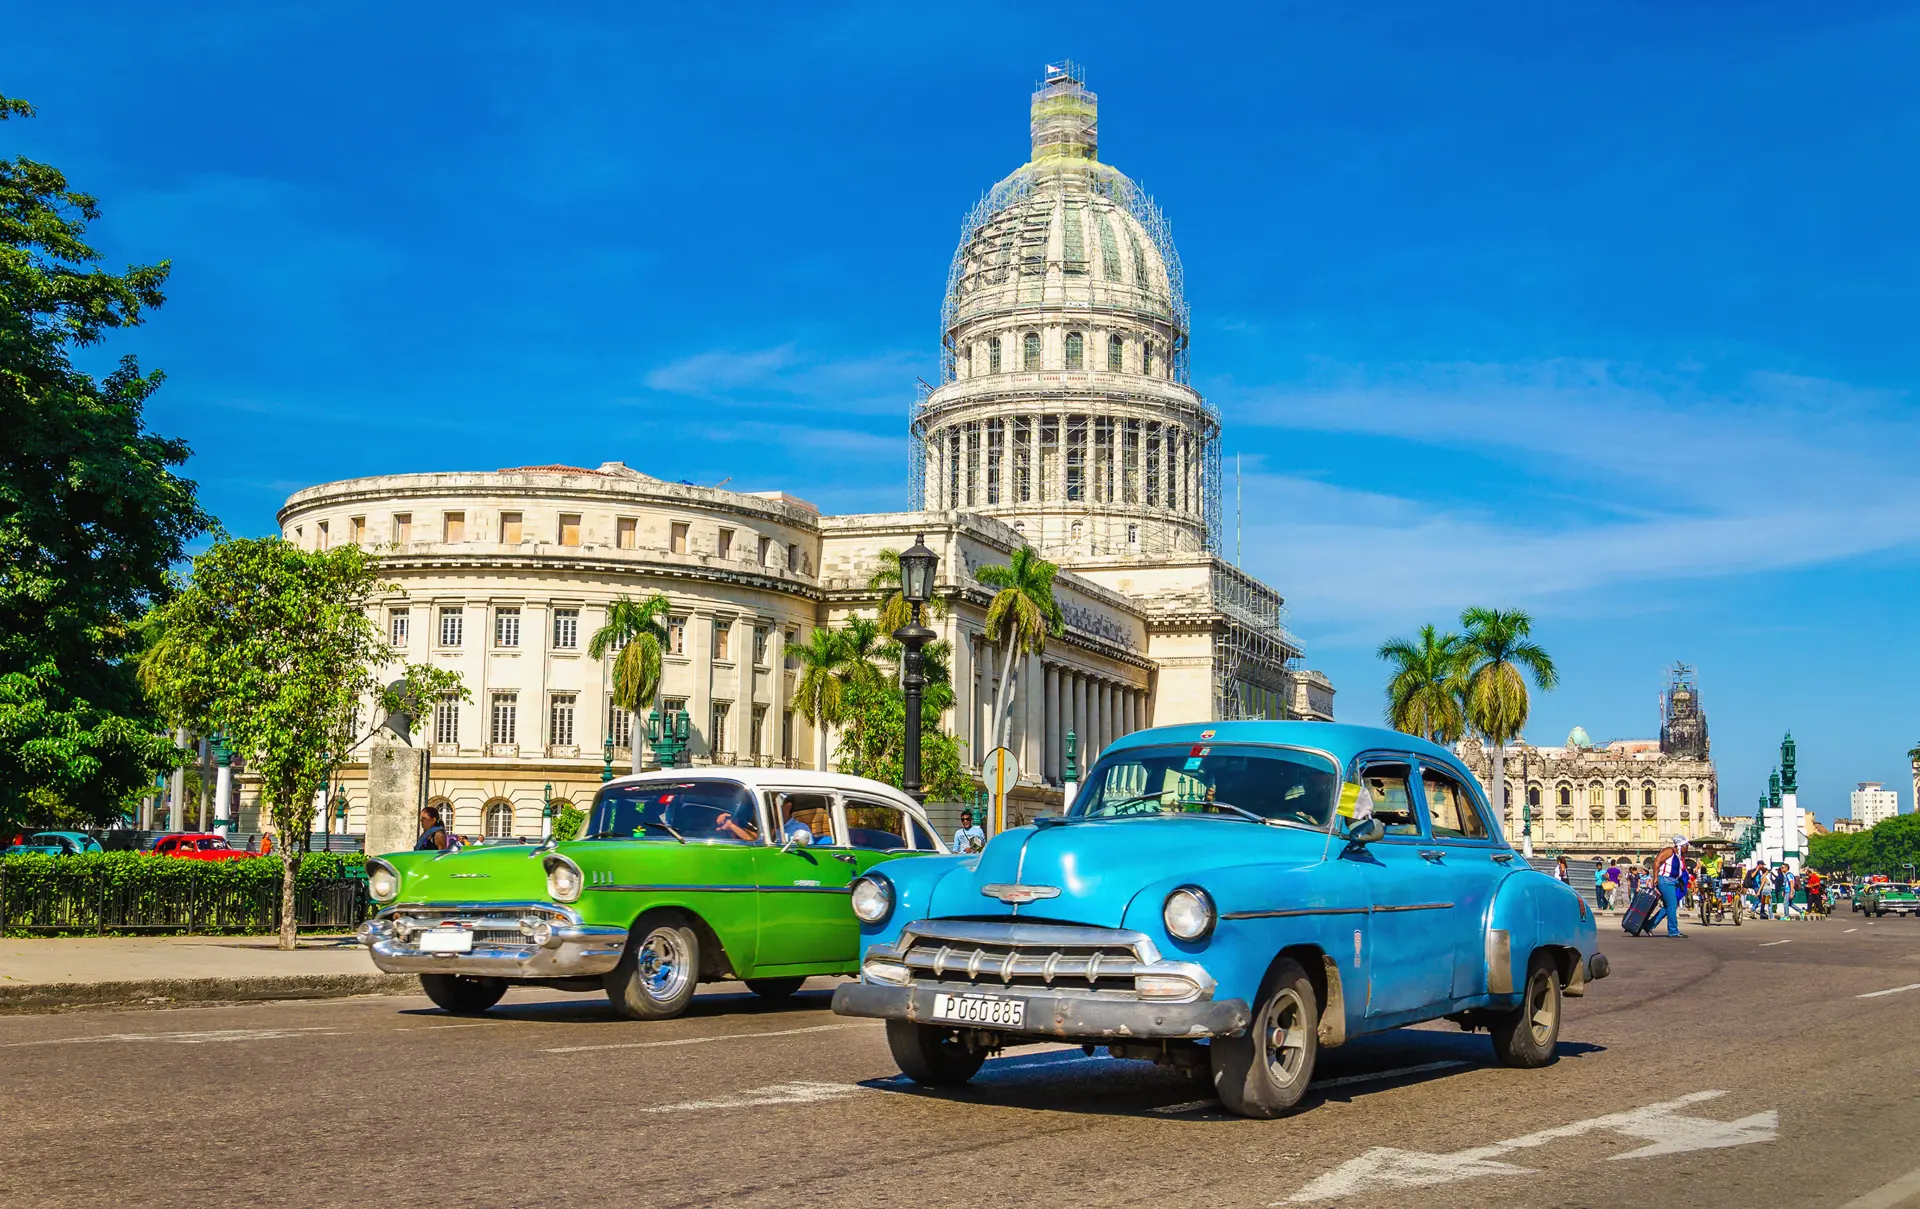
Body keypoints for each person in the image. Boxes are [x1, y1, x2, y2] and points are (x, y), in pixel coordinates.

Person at [1648, 835, 1688, 937]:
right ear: (1680, 846)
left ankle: (1648, 925)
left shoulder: (1679, 857)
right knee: (1672, 904)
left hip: (1673, 882)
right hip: (1665, 880)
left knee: (1668, 906)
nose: (1687, 847)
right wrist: (1655, 877)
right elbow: (1657, 861)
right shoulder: (1669, 851)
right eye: (1686, 845)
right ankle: (1673, 931)